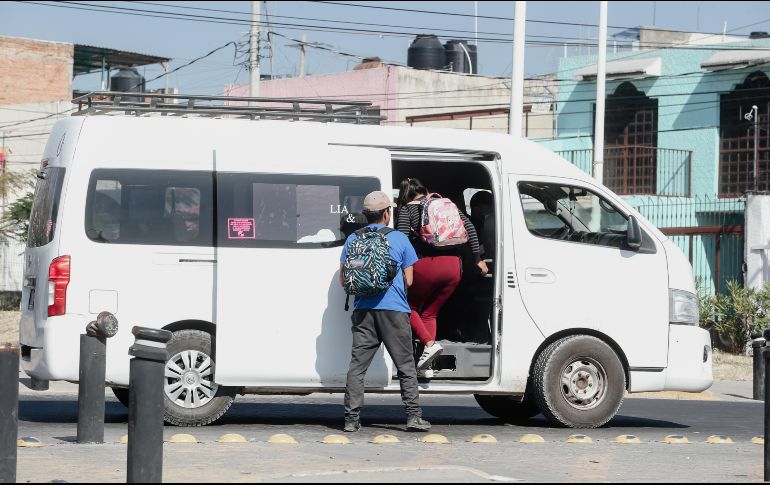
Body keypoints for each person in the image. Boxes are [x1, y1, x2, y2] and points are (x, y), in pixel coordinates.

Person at [339, 190, 431, 433]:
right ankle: (413, 417)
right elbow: (409, 281)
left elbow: (343, 280)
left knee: (358, 367)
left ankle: (351, 419)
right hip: (394, 311)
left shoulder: (353, 239)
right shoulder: (400, 239)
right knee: (405, 366)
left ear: (366, 215)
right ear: (387, 213)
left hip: (363, 311)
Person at [396, 178, 488, 376]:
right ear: (425, 190)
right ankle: (425, 367)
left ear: (405, 195)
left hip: (425, 265)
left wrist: (400, 268)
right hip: (454, 267)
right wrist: (477, 260)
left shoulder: (407, 210)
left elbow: (402, 239)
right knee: (430, 313)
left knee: (406, 306)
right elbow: (470, 228)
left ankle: (429, 345)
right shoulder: (444, 204)